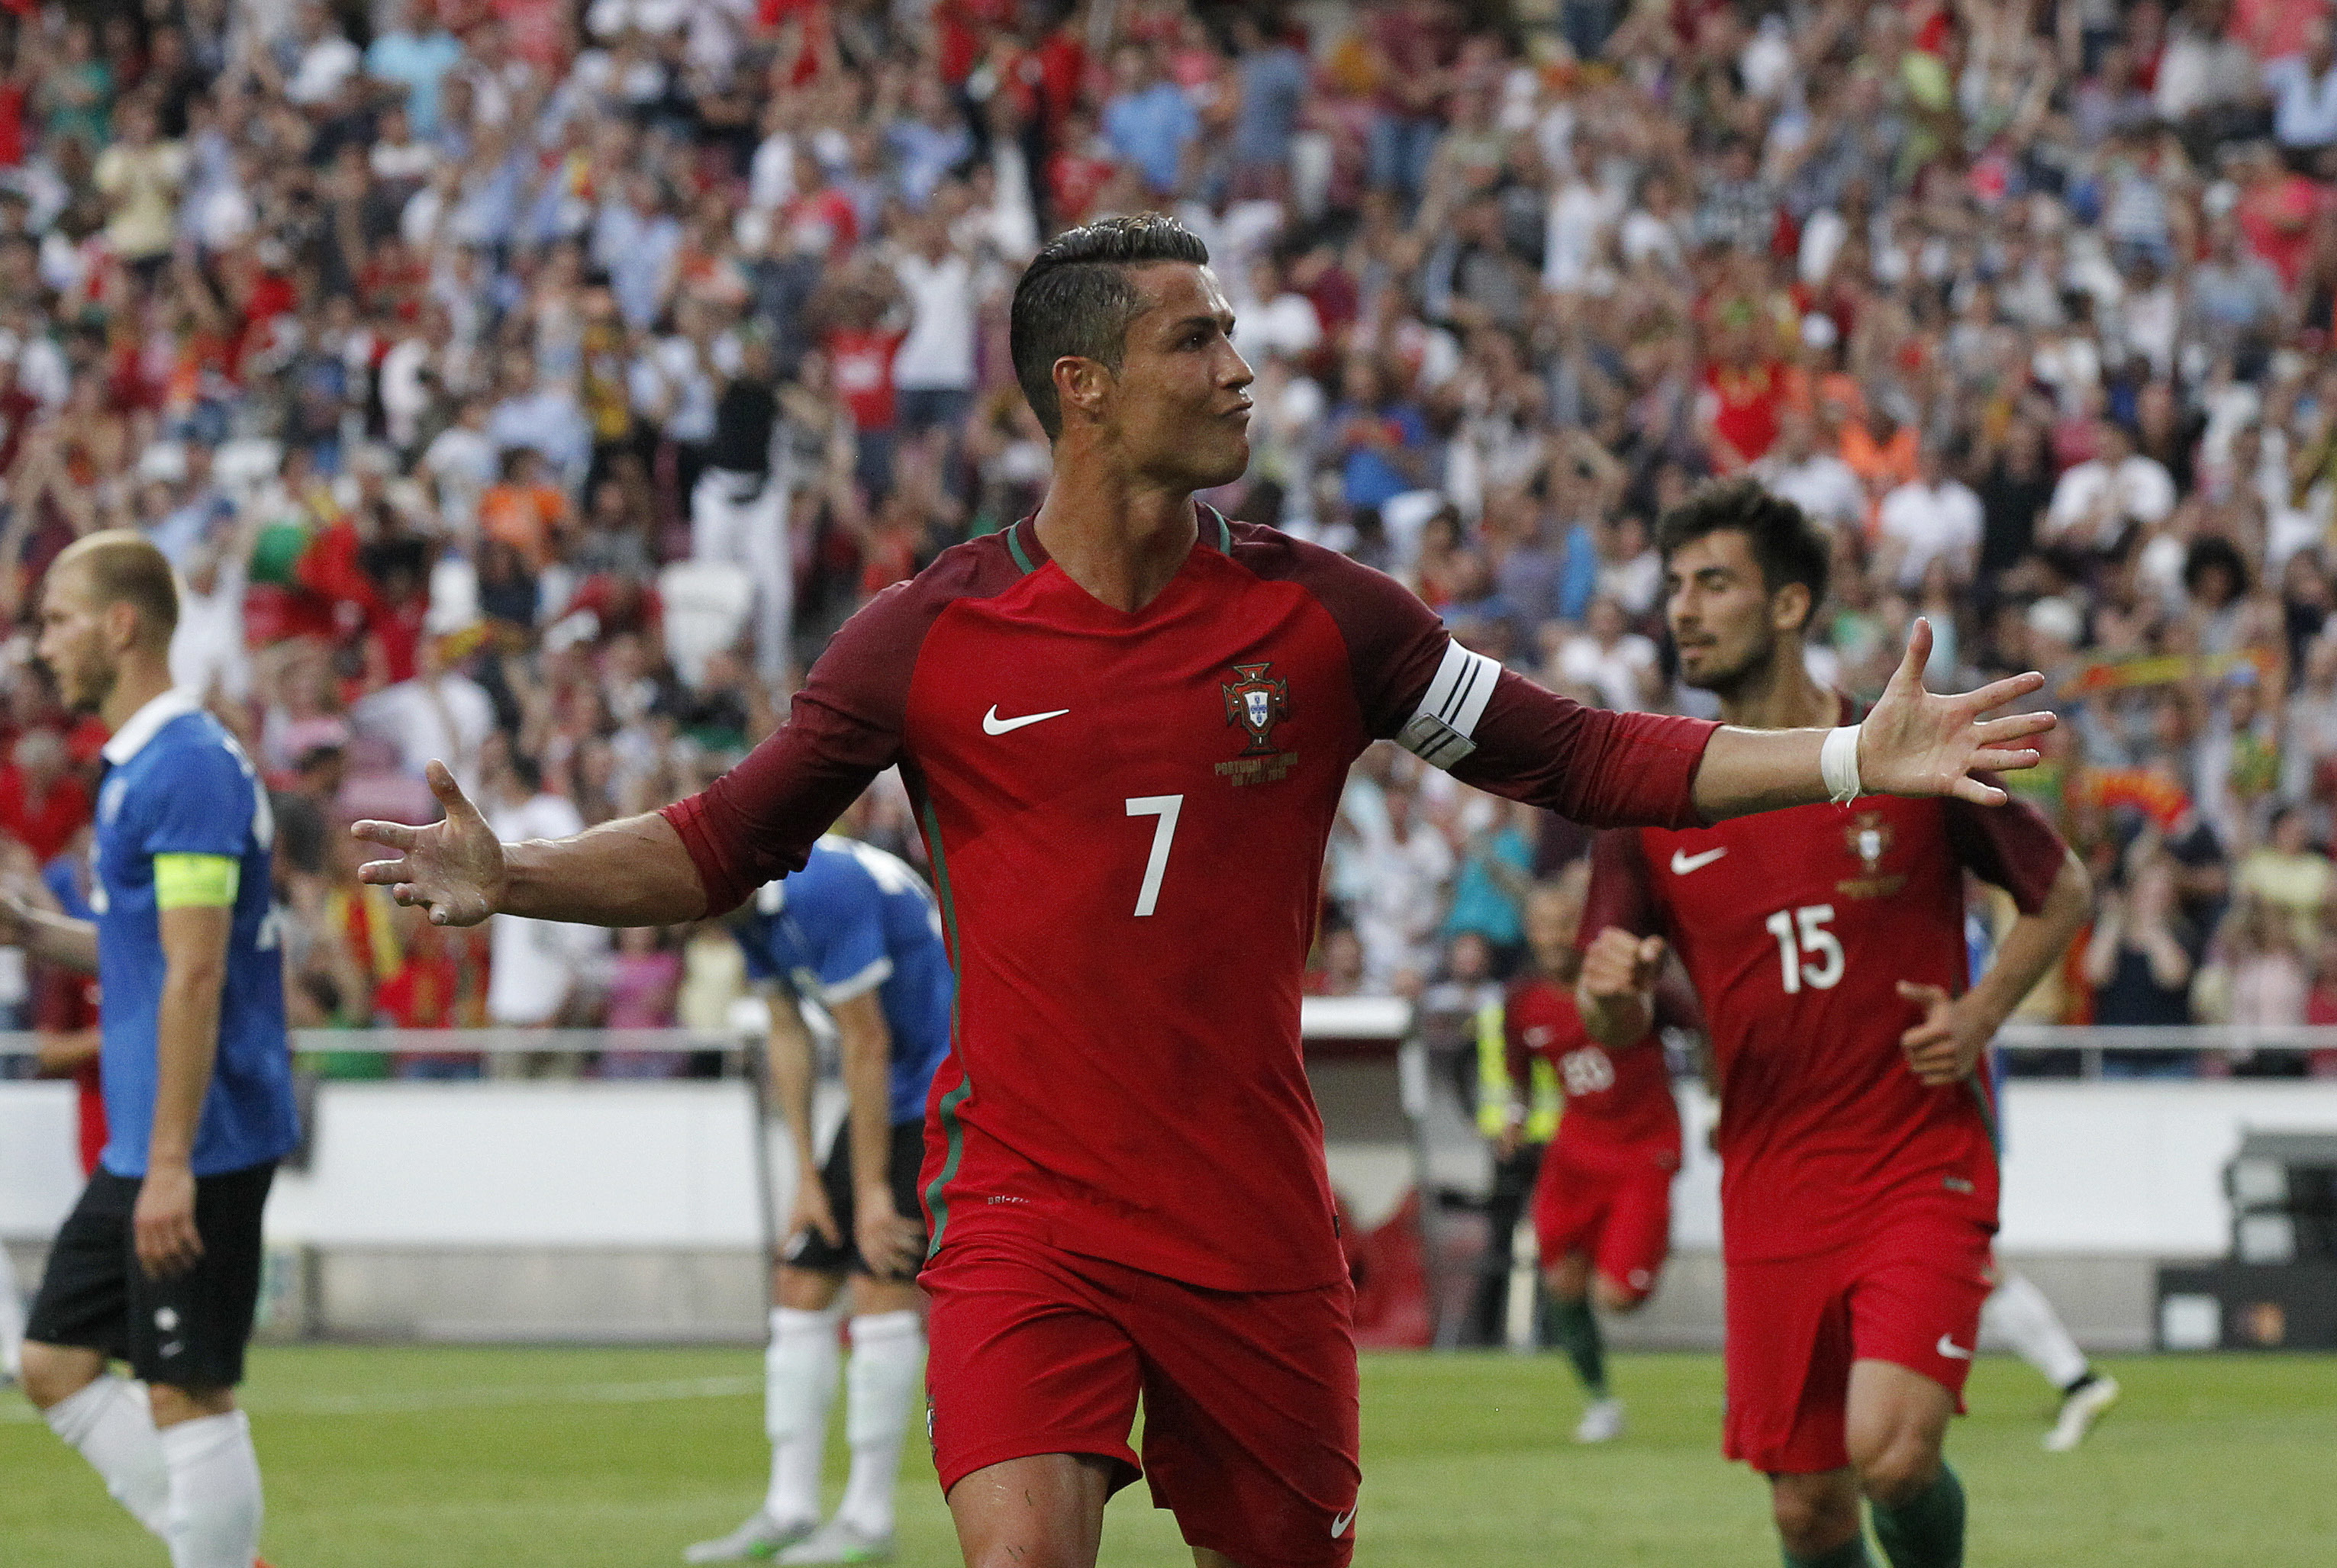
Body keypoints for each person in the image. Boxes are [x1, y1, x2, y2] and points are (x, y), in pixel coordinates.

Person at [353, 215, 2054, 1568]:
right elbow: (724, 840)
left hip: (1249, 1225)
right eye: (1200, 337)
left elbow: (1580, 753)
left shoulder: (1327, 619)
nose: (1243, 368)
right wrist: (520, 874)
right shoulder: (922, 639)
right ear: (1081, 384)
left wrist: (1844, 761)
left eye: (1235, 331)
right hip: (1025, 1206)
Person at [1576, 481, 2091, 1568]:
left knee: (1892, 1455)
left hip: (1917, 1156)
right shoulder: (1653, 793)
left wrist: (1981, 1009)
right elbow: (1606, 1005)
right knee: (1805, 1513)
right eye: (1672, 584)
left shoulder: (1903, 746)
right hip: (1767, 1179)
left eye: (1713, 581)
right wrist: (1612, 988)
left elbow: (2062, 889)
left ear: (1788, 603)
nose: (1682, 607)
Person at [5, 531, 297, 1568]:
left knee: (186, 1387)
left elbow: (198, 972)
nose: (41, 646)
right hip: (148, 1136)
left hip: (201, 1135)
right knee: (52, 1358)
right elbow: (156, 946)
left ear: (120, 625)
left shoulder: (182, 768)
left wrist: (172, 1159)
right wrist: (37, 933)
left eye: (56, 620)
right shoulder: (146, 765)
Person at [687, 832, 954, 1566]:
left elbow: (865, 1039)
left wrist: (870, 1191)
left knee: (880, 1275)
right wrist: (808, 1175)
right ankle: (791, 1507)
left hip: (944, 1081)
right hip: (889, 1089)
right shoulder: (746, 908)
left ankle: (868, 1518)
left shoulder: (822, 884)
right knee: (801, 1278)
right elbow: (788, 1032)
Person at [1497, 871, 1684, 1444]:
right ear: (1529, 932)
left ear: (1583, 926)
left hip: (1643, 1146)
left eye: (1562, 923)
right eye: (1542, 925)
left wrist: (1721, 1103)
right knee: (1561, 1283)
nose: (1552, 936)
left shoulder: (1625, 982)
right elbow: (1519, 1072)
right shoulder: (1523, 1001)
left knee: (1617, 1298)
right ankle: (1601, 1401)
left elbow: (1702, 1022)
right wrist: (1515, 1116)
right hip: (1576, 1146)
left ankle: (1647, 1243)